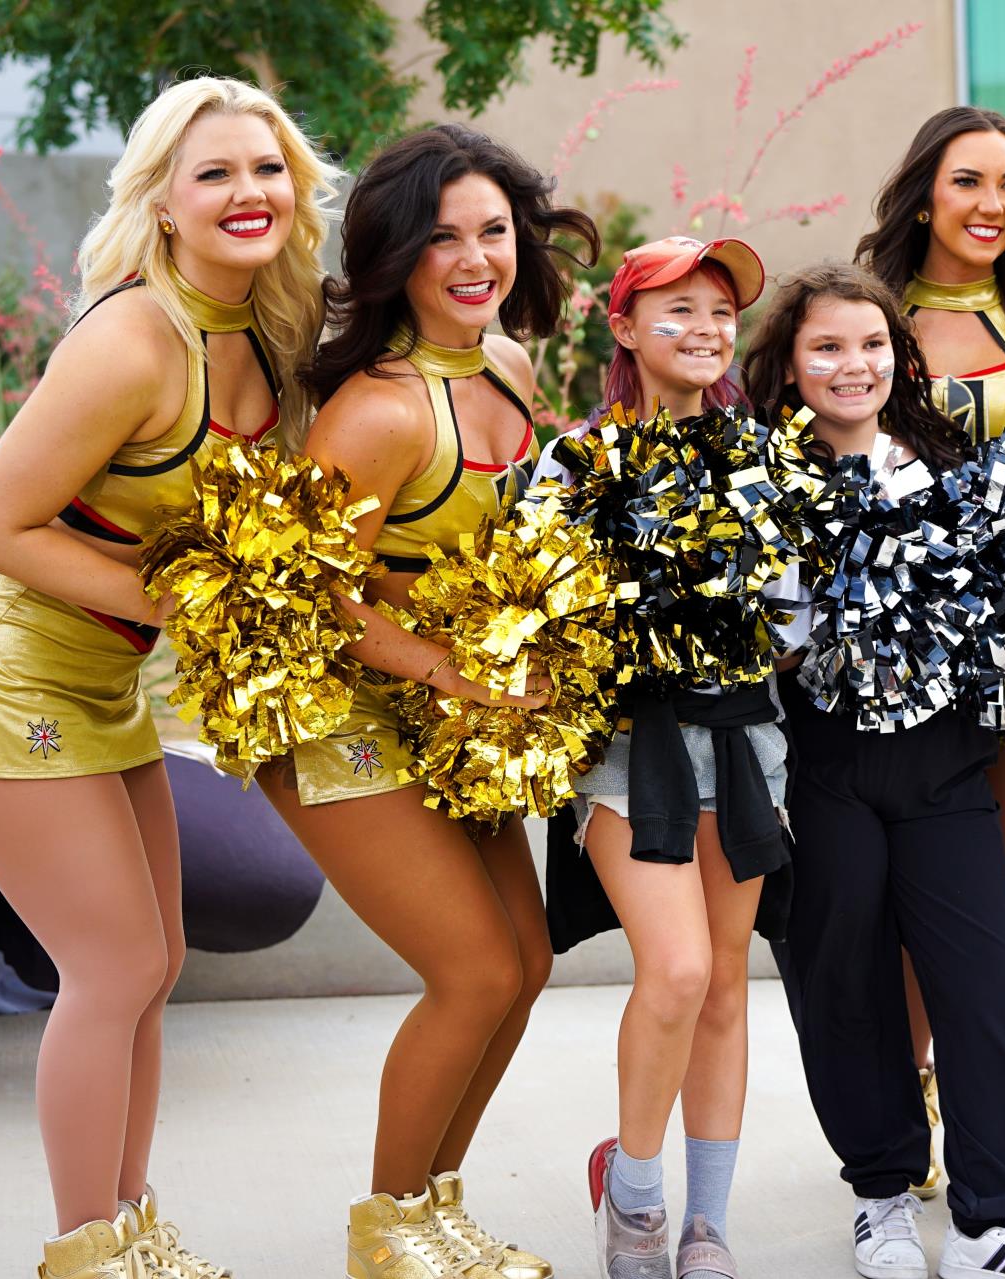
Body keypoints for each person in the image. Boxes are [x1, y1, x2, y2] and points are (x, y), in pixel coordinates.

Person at [0, 76, 336, 1279]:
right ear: (163, 202)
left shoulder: (261, 336)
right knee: (112, 966)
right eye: (214, 172)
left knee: (157, 962)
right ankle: (87, 1254)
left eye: (267, 169)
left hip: (104, 679)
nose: (247, 192)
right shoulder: (135, 336)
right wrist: (185, 605)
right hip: (10, 671)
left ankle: (134, 1231)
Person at [255, 124, 596, 1279]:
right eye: (441, 235)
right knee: (476, 970)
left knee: (529, 962)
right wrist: (456, 667)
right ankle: (386, 1228)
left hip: (443, 722)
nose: (473, 257)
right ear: (394, 252)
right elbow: (306, 601)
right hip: (331, 716)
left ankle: (435, 1207)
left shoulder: (507, 369)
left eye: (493, 232)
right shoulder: (386, 410)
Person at [747, 262, 1005, 1279]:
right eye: (826, 346)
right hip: (823, 767)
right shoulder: (760, 483)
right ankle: (880, 1196)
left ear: (900, 359)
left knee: (984, 975)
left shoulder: (963, 467)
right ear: (791, 364)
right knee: (842, 977)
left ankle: (994, 1221)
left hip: (946, 767)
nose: (850, 365)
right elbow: (752, 631)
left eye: (870, 345)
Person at [856, 107, 1005, 1191]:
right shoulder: (871, 320)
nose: (992, 205)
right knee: (909, 887)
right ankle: (904, 1110)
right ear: (923, 195)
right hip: (897, 650)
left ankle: (997, 1114)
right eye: (968, 182)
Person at [540, 234, 787, 1279]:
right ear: (625, 326)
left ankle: (707, 1225)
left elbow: (800, 611)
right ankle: (634, 1198)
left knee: (727, 982)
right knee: (678, 969)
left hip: (744, 741)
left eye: (721, 312)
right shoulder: (573, 463)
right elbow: (535, 617)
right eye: (676, 308)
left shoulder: (770, 458)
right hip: (626, 752)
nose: (703, 329)